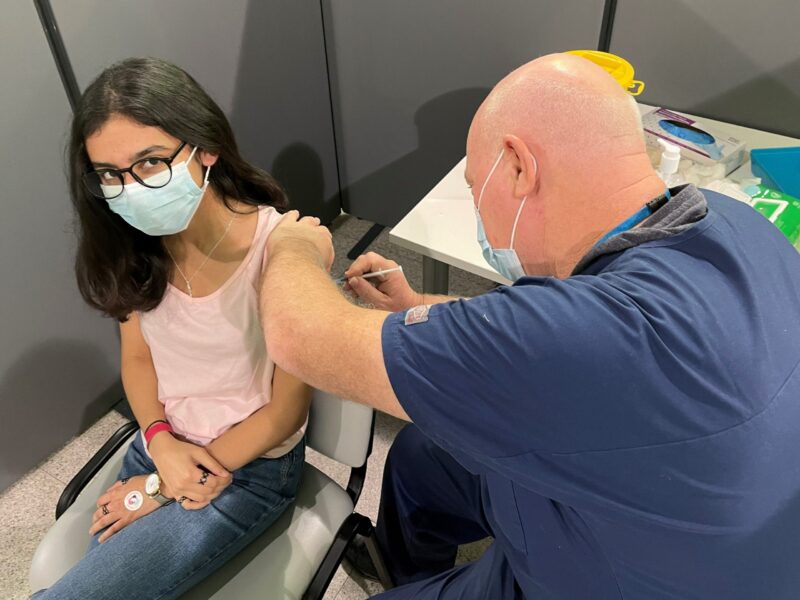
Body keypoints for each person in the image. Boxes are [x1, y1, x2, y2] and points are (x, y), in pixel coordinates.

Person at [259, 53, 800, 599]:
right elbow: (542, 334)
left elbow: (298, 334)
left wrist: (292, 248)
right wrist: (416, 305)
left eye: (474, 188)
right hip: (692, 512)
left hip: (611, 575)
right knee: (423, 457)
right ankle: (407, 570)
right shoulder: (732, 222)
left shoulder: (589, 338)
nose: (477, 212)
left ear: (518, 166)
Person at [31, 58, 311, 599]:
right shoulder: (131, 248)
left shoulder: (279, 250)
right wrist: (159, 445)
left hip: (247, 466)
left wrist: (161, 488)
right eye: (110, 175)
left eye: (151, 163)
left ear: (206, 148)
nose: (130, 190)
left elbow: (286, 412)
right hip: (161, 442)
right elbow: (138, 358)